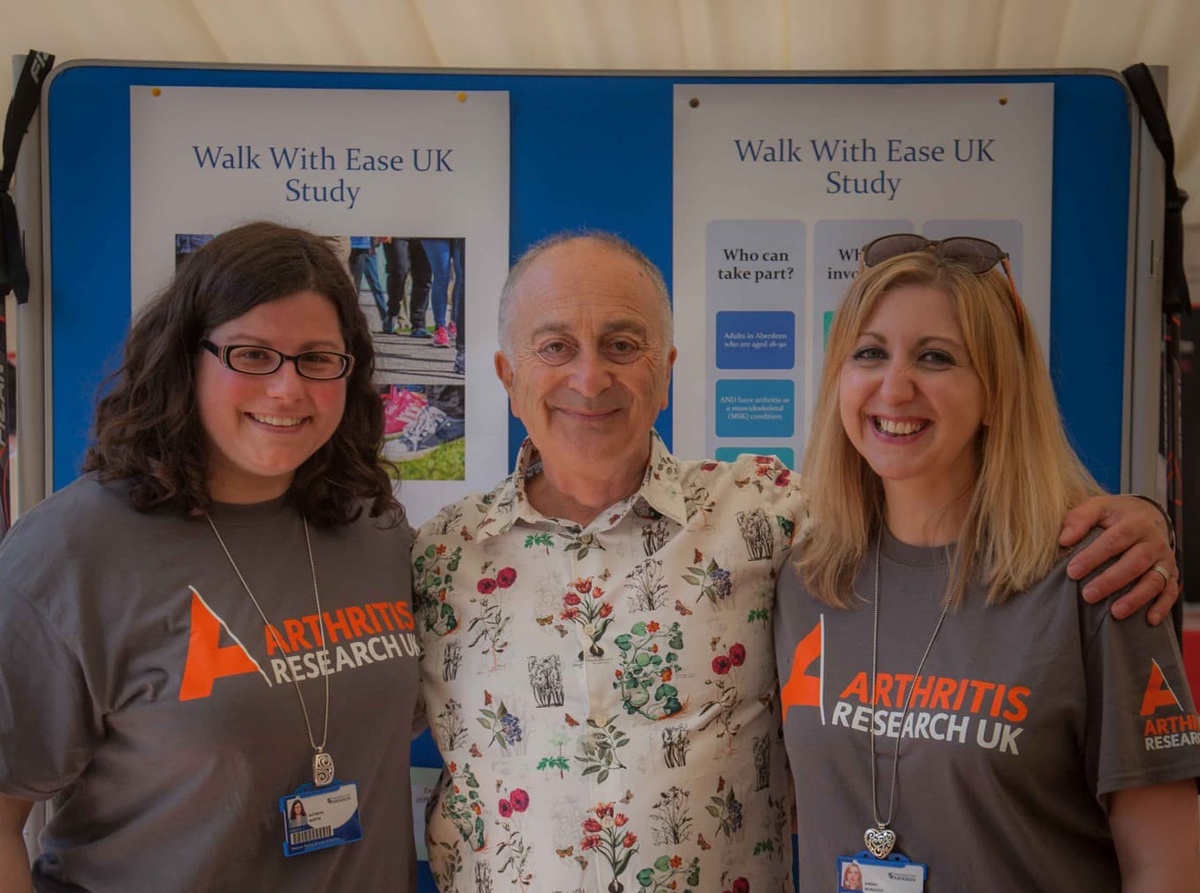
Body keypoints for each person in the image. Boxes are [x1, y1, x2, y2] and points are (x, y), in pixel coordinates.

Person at [413, 231, 1179, 892]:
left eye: (622, 344)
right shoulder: (438, 556)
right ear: (508, 377)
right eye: (554, 347)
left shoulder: (765, 520)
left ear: (666, 369)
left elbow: (920, 482)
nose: (590, 378)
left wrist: (1146, 519)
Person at [0, 222, 420, 893]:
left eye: (317, 358)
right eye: (252, 354)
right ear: (184, 357)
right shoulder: (72, 551)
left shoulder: (373, 529)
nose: (287, 389)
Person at [776, 235, 1200, 890]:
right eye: (869, 353)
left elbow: (1166, 866)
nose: (894, 386)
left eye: (936, 357)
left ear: (997, 393)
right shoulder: (801, 574)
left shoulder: (1103, 578)